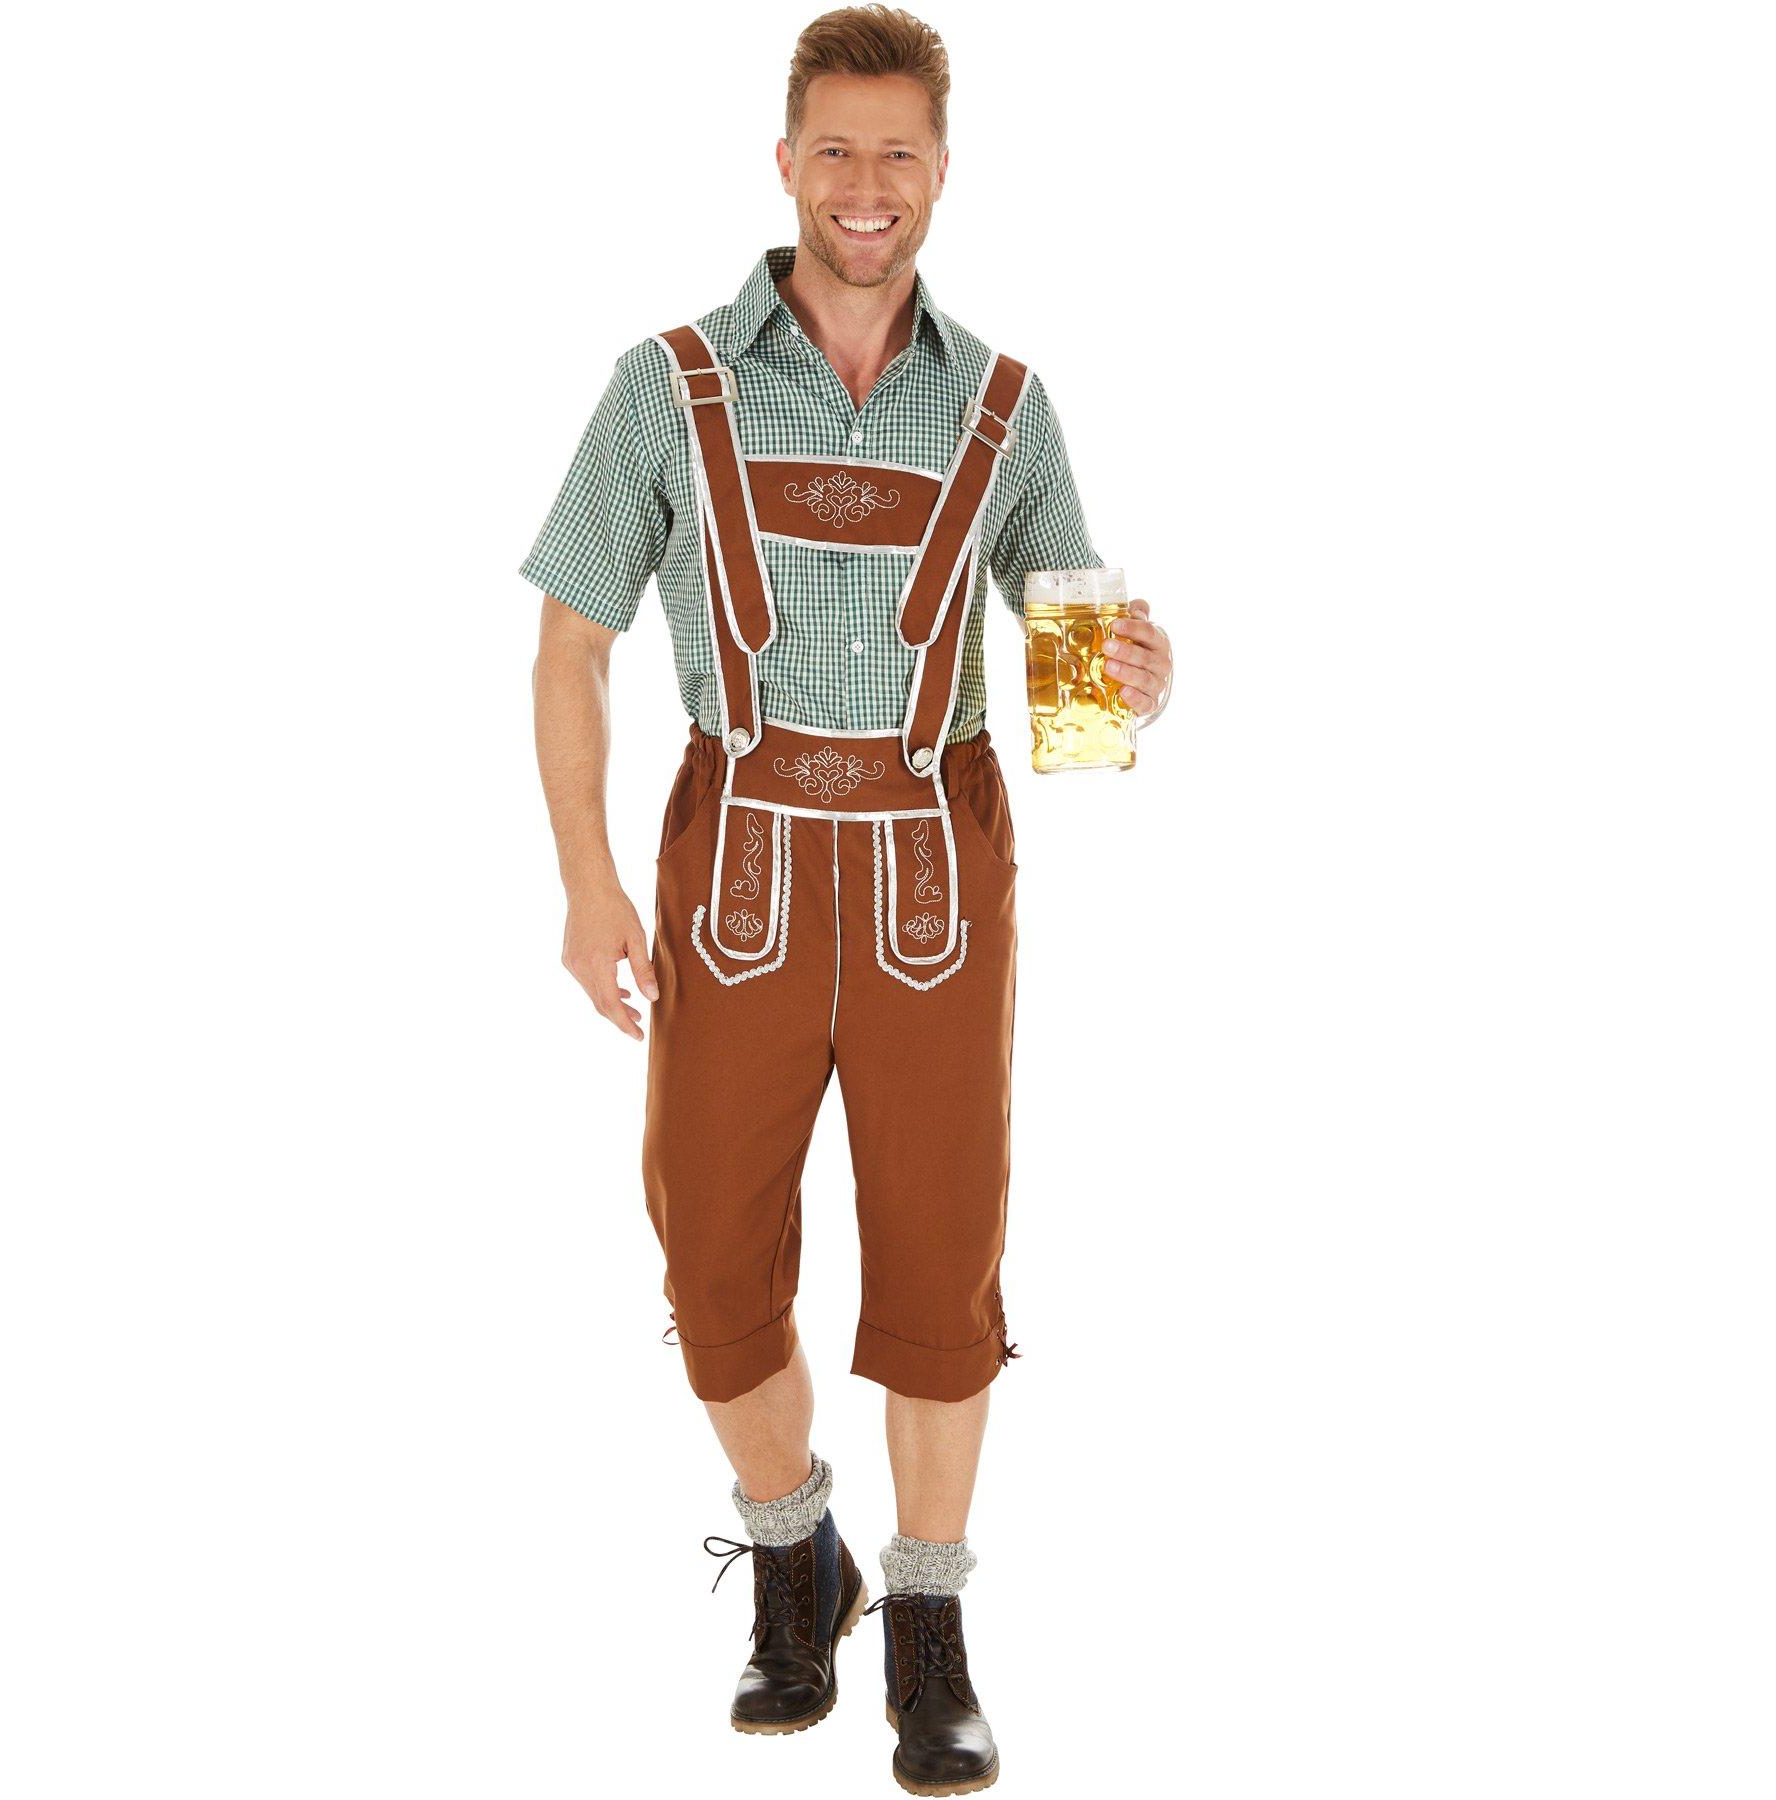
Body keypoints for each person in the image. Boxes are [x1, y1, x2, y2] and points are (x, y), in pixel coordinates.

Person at [521, 8, 1171, 1791]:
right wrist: (587, 884)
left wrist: (1139, 677)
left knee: (943, 1256)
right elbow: (571, 642)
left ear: (942, 171)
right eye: (837, 149)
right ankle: (793, 1544)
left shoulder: (1007, 404)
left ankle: (931, 1623)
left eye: (898, 153)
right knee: (711, 1261)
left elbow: (1079, 697)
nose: (865, 185)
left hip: (932, 872)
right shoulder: (665, 383)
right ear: (785, 162)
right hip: (732, 856)